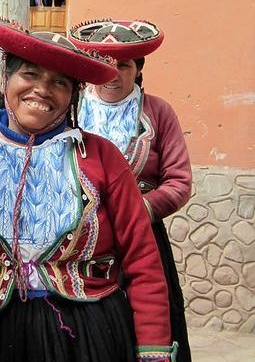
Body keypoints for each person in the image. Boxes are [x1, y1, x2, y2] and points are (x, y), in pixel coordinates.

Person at [0, 18, 177, 362]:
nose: (42, 89)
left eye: (59, 82)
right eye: (29, 74)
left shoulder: (102, 157)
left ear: (72, 96)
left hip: (88, 334)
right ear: (6, 80)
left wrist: (153, 348)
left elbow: (142, 258)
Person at [71, 19, 192, 362]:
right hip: (81, 240)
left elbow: (179, 181)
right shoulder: (71, 107)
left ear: (138, 69)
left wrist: (135, 209)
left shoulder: (158, 113)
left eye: (123, 65)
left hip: (142, 240)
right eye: (104, 62)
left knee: (148, 319)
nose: (113, 72)